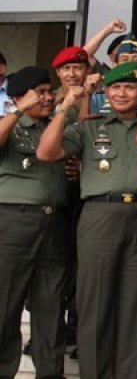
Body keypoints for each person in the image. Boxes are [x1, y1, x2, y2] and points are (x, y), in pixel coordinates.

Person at [36, 62, 137, 378]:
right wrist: (65, 107)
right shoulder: (90, 127)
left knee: (135, 305)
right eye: (115, 87)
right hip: (100, 216)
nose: (122, 93)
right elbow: (47, 152)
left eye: (130, 87)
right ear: (106, 92)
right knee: (95, 303)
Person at [0, 67, 68, 378]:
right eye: (39, 92)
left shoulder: (57, 125)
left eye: (48, 91)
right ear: (19, 96)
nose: (47, 97)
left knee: (51, 309)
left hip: (53, 224)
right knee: (6, 307)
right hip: (14, 223)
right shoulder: (10, 125)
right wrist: (18, 110)